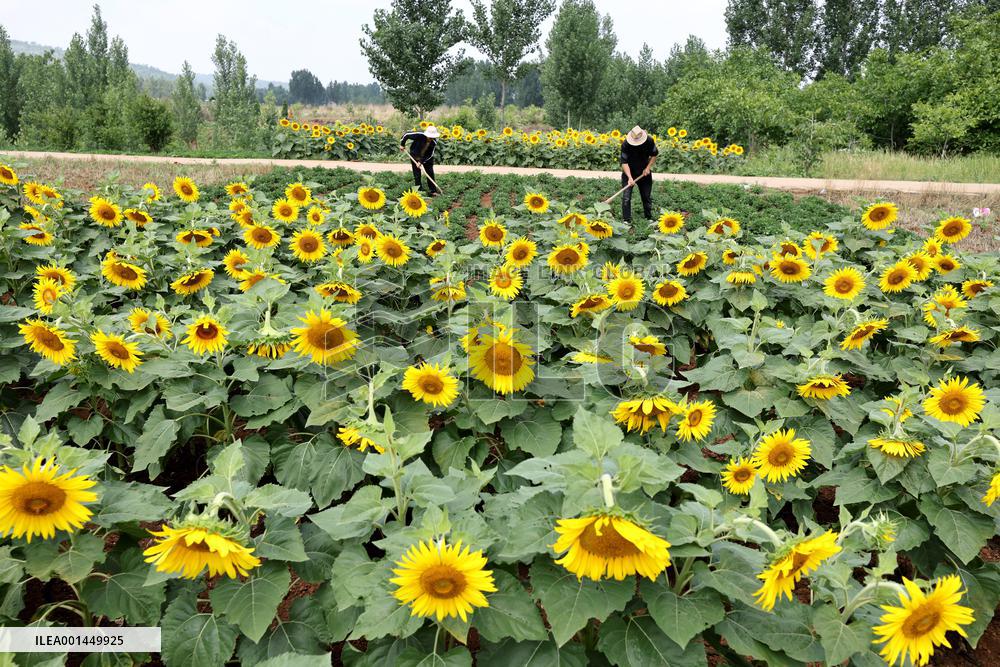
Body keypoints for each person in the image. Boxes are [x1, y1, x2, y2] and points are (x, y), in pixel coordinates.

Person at [619, 125, 658, 222]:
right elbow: (624, 162)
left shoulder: (649, 141)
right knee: (626, 198)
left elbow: (654, 154)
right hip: (629, 171)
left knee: (646, 196)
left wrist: (648, 168)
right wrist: (629, 177)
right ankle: (626, 220)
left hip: (644, 171)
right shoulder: (626, 144)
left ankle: (648, 217)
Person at [400, 125, 442, 195]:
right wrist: (402, 144)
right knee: (417, 174)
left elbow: (430, 154)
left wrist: (421, 162)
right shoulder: (419, 135)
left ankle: (433, 190)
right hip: (415, 155)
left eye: (432, 137)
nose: (431, 138)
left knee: (430, 172)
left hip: (426, 158)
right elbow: (406, 134)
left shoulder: (434, 142)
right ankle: (418, 190)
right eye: (430, 136)